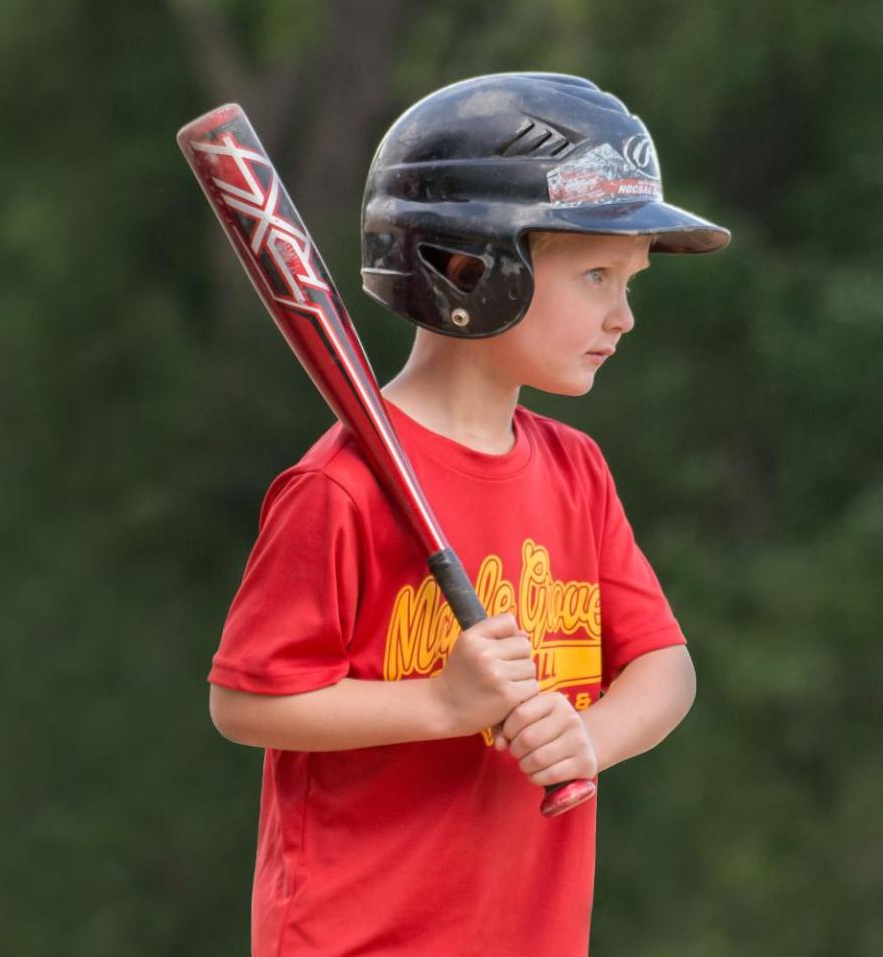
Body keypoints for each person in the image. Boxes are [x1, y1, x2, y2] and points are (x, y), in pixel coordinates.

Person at [207, 72, 730, 956]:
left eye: (629, 281)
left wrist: (589, 739)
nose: (623, 316)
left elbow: (664, 667)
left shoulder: (576, 472)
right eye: (596, 275)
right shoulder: (341, 485)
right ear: (466, 268)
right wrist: (442, 703)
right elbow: (247, 701)